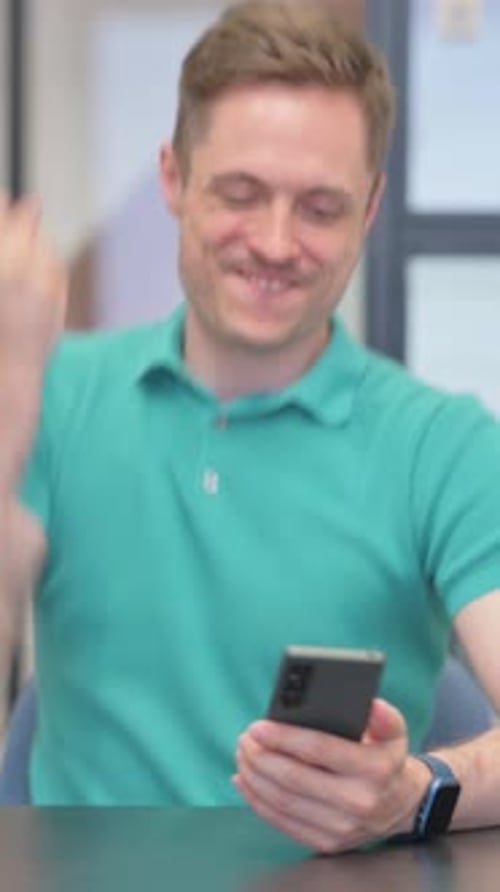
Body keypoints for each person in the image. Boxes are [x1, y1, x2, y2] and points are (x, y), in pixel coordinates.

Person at [1, 0, 500, 854]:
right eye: (241, 194)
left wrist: (415, 792)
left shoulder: (443, 446)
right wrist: (12, 387)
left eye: (320, 208)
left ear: (371, 209)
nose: (274, 243)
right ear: (172, 178)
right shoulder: (51, 394)